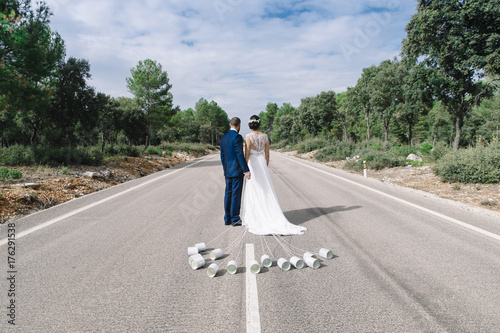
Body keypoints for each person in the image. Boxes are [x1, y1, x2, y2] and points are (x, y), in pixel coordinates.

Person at [241, 115, 306, 235]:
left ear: (250, 125)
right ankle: (268, 213)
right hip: (262, 163)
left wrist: (245, 168)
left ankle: (255, 216)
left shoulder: (248, 136)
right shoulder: (265, 136)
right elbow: (267, 155)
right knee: (266, 189)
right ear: (259, 124)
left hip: (253, 163)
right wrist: (265, 166)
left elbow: (247, 153)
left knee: (255, 189)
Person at [220, 117, 251, 226]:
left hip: (228, 171)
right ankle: (235, 219)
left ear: (230, 124)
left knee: (228, 194)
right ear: (239, 125)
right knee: (235, 195)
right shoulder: (237, 137)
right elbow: (239, 154)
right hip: (237, 171)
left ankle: (227, 218)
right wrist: (245, 170)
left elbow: (222, 156)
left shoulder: (223, 137)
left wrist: (226, 169)